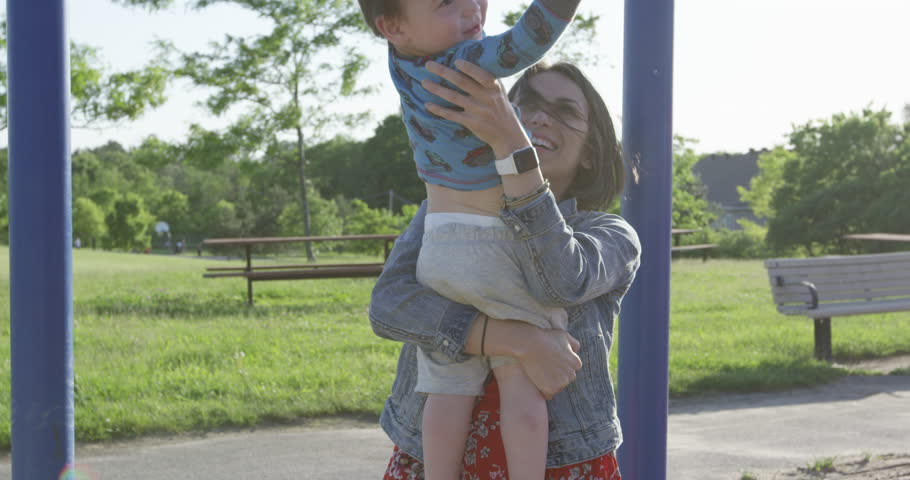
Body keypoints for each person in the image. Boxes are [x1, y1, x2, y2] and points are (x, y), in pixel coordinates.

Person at [370, 60, 639, 479]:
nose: (539, 117)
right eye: (525, 104)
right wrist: (521, 341)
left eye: (564, 111)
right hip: (431, 457)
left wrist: (516, 155)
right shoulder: (445, 211)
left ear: (590, 152)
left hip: (561, 462)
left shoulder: (609, 233)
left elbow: (561, 283)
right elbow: (389, 306)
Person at [358, 0, 585, 478]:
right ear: (393, 26)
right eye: (447, 3)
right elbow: (527, 40)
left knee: (444, 390)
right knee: (521, 387)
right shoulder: (462, 62)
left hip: (438, 245)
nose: (471, 10)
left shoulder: (402, 62)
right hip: (494, 243)